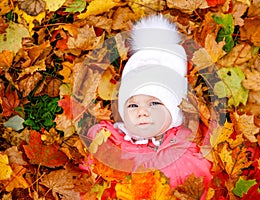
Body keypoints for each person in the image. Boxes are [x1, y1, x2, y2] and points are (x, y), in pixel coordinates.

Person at [87, 15, 212, 198]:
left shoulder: (189, 145)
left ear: (175, 111)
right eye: (133, 105)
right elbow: (90, 178)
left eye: (154, 103)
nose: (142, 112)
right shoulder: (110, 142)